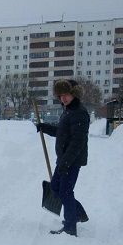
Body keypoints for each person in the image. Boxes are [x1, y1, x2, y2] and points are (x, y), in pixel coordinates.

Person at [36, 79, 90, 236]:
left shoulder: (79, 113)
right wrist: (44, 127)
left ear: (74, 94)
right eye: (60, 95)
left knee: (65, 191)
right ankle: (77, 213)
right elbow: (62, 132)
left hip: (71, 161)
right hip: (64, 159)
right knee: (56, 188)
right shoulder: (68, 111)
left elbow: (77, 142)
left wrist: (66, 162)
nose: (63, 98)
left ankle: (70, 226)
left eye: (66, 95)